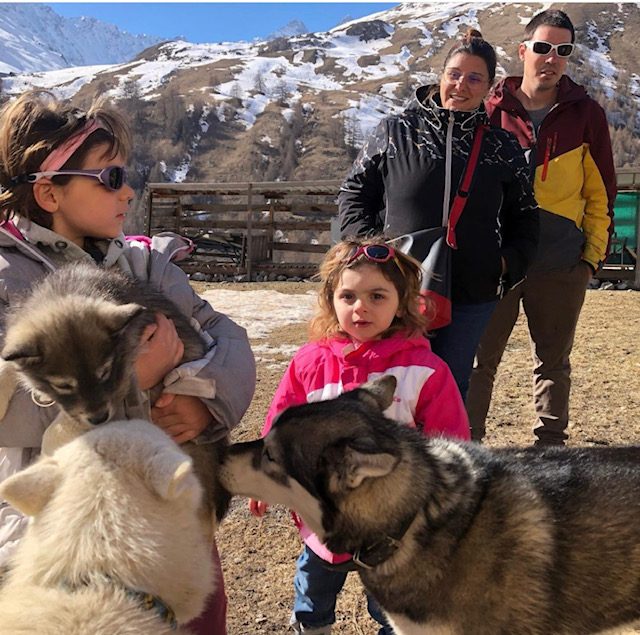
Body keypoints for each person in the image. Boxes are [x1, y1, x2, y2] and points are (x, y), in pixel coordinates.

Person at [0, 90, 256, 633]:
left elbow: (226, 335)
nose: (129, 190)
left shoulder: (143, 263)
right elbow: (12, 410)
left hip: (168, 506)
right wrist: (134, 378)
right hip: (69, 526)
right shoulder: (8, 277)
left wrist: (202, 395)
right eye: (110, 178)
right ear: (49, 192)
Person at [250, 237, 470, 635]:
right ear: (330, 299)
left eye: (377, 296)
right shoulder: (308, 363)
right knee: (314, 582)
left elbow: (450, 442)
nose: (360, 307)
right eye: (347, 295)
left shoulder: (427, 371)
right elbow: (282, 419)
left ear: (403, 302)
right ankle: (311, 625)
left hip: (393, 524)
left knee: (390, 599)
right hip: (322, 514)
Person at [337, 29, 539, 403]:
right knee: (388, 385)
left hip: (472, 292)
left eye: (474, 77)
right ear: (441, 76)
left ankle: (444, 460)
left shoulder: (503, 146)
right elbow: (353, 194)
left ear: (488, 86)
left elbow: (526, 216)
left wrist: (504, 264)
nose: (461, 85)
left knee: (449, 388)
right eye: (454, 74)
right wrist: (369, 252)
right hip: (396, 287)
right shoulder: (395, 132)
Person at [465, 10, 617, 445]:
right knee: (479, 360)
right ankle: (468, 446)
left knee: (553, 362)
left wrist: (590, 259)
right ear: (524, 50)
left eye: (563, 50)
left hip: (561, 262)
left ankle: (550, 450)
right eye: (544, 47)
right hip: (496, 260)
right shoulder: (490, 108)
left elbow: (601, 193)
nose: (552, 58)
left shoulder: (586, 114)